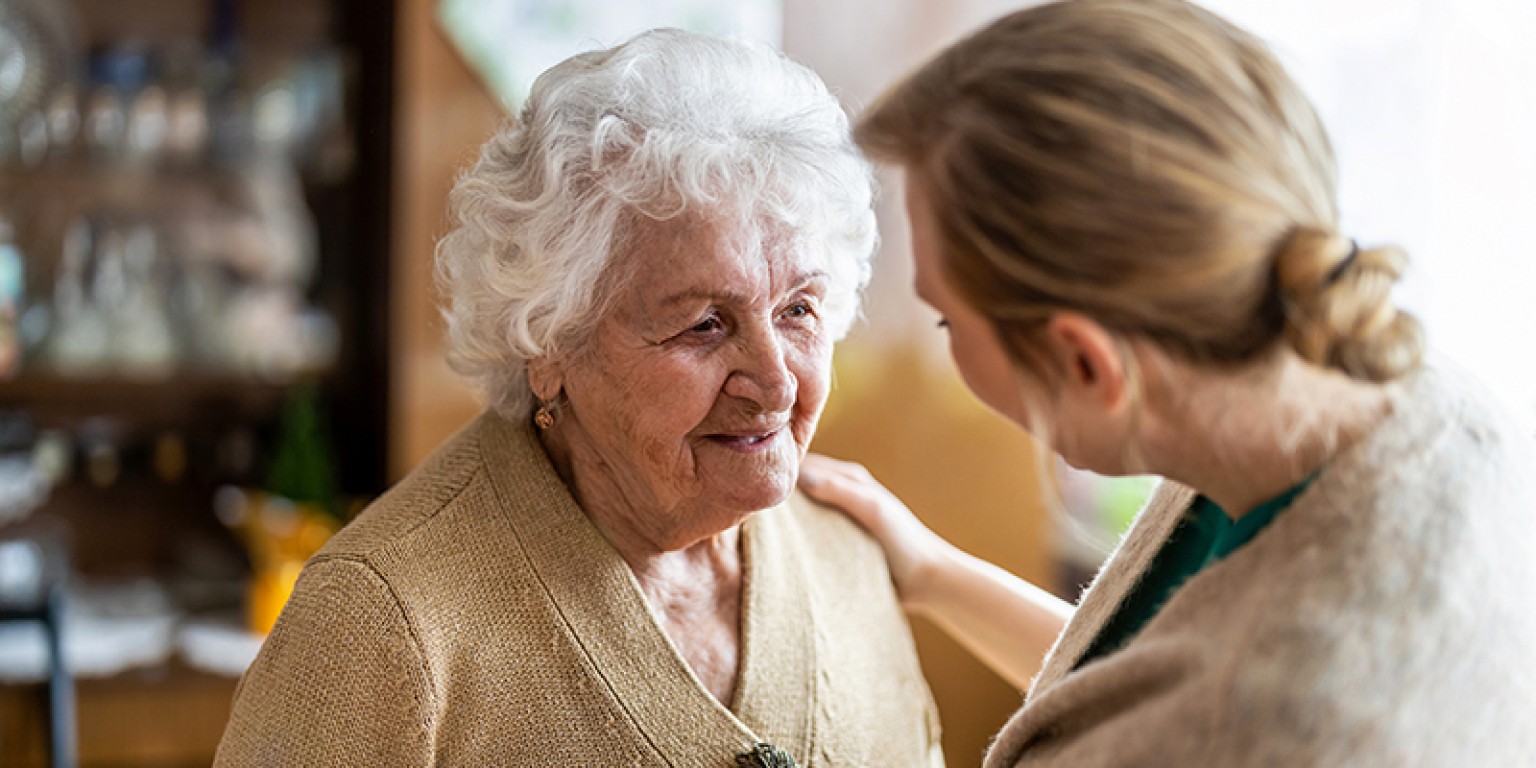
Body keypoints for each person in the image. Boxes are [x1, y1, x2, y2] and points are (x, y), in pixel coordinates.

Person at [797, 1, 1536, 765]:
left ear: (1086, 364)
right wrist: (933, 573)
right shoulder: (1397, 399)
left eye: (948, 321)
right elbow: (1153, 682)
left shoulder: (1311, 720)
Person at [215, 29, 943, 767]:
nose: (778, 383)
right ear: (550, 344)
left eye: (798, 310)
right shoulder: (378, 625)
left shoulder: (850, 560)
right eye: (704, 325)